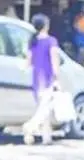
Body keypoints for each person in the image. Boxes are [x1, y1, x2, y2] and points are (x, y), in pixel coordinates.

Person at [21, 14, 60, 146]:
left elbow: (28, 62)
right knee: (45, 110)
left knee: (44, 109)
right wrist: (56, 77)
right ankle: (29, 128)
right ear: (45, 26)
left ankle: (46, 137)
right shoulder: (51, 41)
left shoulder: (33, 42)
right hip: (48, 79)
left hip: (36, 80)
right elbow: (55, 61)